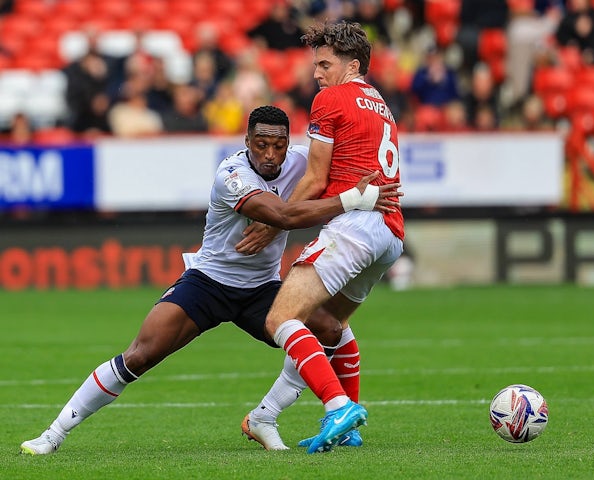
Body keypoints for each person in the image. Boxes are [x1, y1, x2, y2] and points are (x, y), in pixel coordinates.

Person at [19, 105, 401, 455]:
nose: (270, 154)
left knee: (329, 329)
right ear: (246, 142)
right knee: (139, 355)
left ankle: (264, 418)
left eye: (279, 145)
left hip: (262, 288)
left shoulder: (301, 162)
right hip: (208, 282)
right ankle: (52, 435)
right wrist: (354, 200)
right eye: (261, 144)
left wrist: (366, 182)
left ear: (289, 144)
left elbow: (333, 171)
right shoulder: (231, 174)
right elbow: (282, 216)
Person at [243, 21, 404, 455]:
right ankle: (315, 421)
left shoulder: (331, 98)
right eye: (316, 64)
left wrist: (275, 219)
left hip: (357, 226)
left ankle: (337, 407)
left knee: (280, 319)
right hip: (390, 233)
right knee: (331, 325)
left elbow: (315, 178)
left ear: (353, 65)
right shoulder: (380, 103)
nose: (317, 73)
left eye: (325, 63)